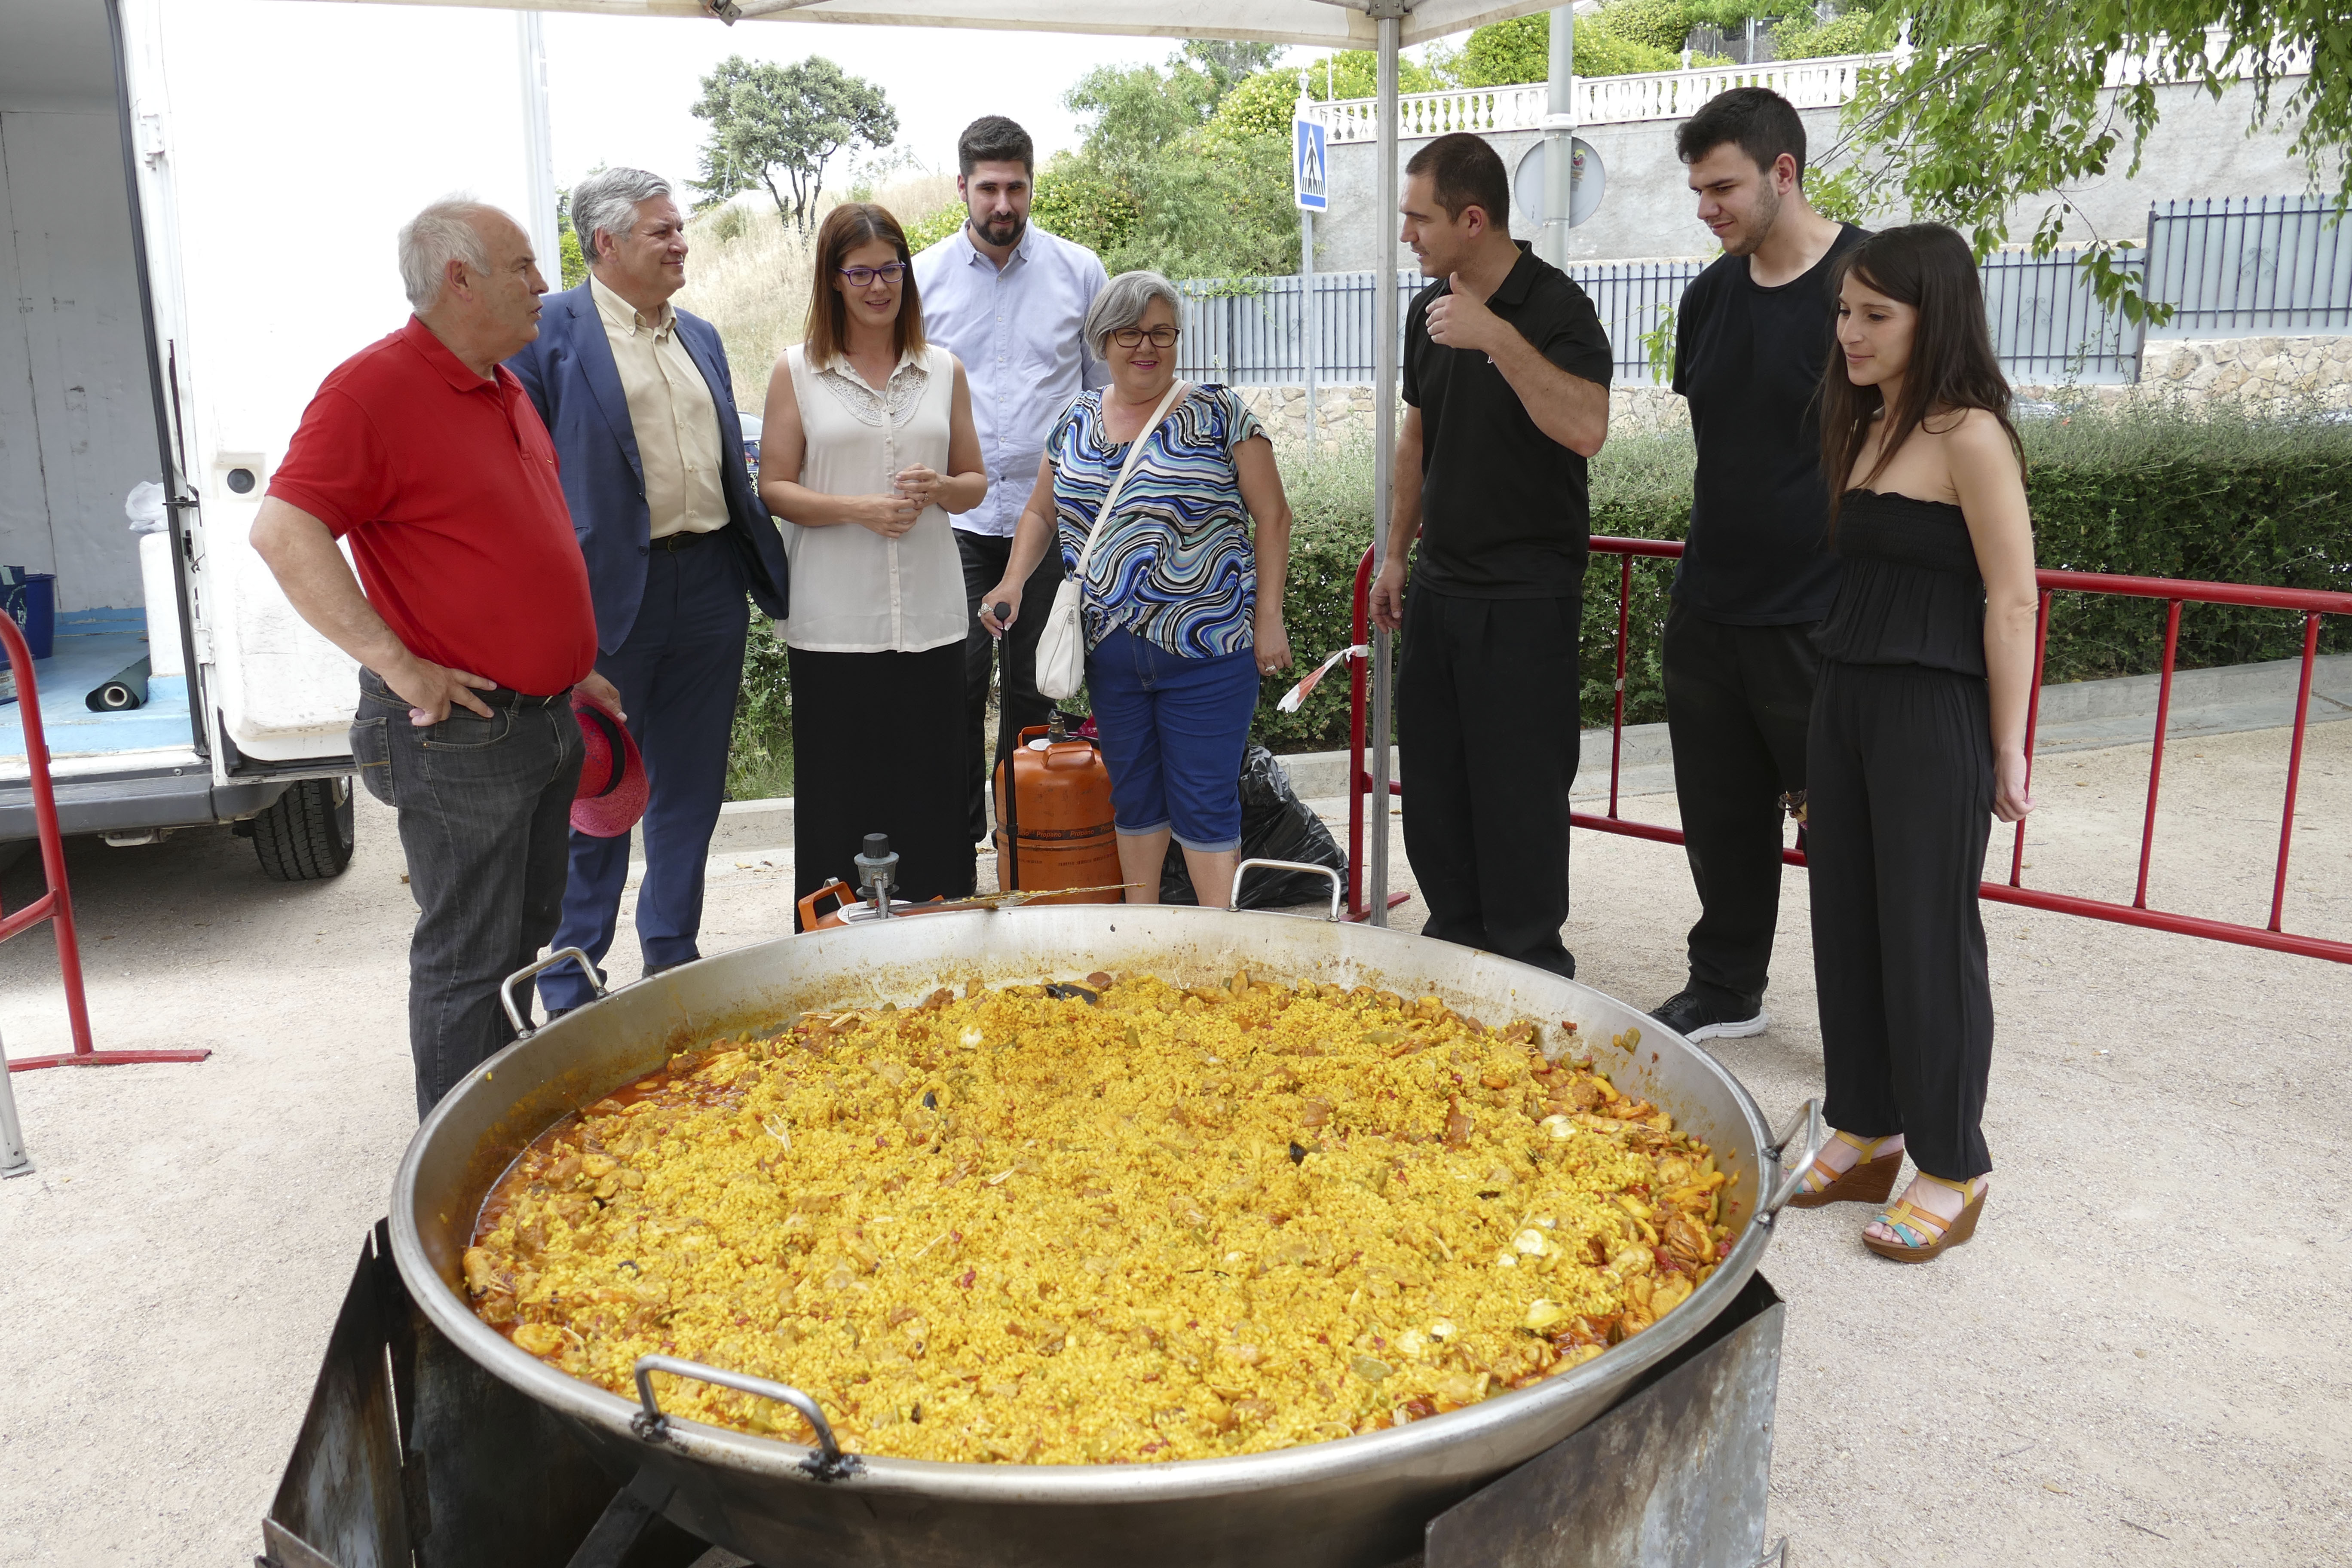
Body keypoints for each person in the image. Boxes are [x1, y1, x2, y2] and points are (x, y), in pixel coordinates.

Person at [249, 197, 616, 1116]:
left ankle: (502, 1132)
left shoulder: (501, 383)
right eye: (523, 267)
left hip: (539, 719)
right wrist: (400, 664)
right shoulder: (372, 390)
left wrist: (569, 662)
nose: (543, 285)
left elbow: (503, 544)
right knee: (470, 959)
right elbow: (284, 533)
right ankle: (454, 1166)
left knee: (520, 940)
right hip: (460, 734)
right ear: (461, 281)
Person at [1785, 224, 2037, 1262]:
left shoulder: (1972, 434)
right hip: (1844, 696)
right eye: (1846, 311)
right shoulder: (1866, 422)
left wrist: (2009, 746)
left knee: (1928, 937)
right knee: (1845, 919)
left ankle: (1953, 1164)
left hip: (1933, 712)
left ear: (1935, 319)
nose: (1851, 332)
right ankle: (1867, 1127)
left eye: (1876, 315)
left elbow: (2013, 597)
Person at [506, 167, 791, 1017]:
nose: (681, 244)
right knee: (595, 794)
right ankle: (572, 988)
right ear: (607, 243)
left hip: (708, 586)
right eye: (663, 231)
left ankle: (672, 963)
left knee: (691, 792)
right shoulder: (546, 335)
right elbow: (522, 483)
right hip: (601, 601)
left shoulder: (700, 334)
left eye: (680, 228)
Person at [1650, 88, 1868, 1044]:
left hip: (1824, 615)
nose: (1707, 209)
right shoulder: (1709, 296)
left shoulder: (1867, 284)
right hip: (1710, 607)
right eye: (1698, 192)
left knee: (1848, 836)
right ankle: (1726, 987)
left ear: (1785, 172)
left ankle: (1865, 1029)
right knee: (1722, 820)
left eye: (1723, 188)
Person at [1369, 132, 1611, 978]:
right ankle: (1456, 952)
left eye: (1419, 218)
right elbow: (1418, 434)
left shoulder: (1558, 308)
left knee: (1520, 799)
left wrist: (1496, 338)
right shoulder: (1426, 309)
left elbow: (1586, 428)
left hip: (1527, 596)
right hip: (1442, 589)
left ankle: (1531, 970)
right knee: (1436, 791)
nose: (1407, 235)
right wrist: (1395, 555)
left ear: (1473, 220)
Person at [979, 271, 1293, 911]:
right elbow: (1040, 512)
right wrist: (1012, 580)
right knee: (1134, 798)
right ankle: (1143, 935)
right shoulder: (1074, 419)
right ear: (1102, 341)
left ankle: (1217, 943)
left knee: (1205, 801)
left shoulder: (1219, 413)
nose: (1145, 346)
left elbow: (1274, 516)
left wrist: (1269, 616)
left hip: (1208, 653)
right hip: (1112, 656)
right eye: (1129, 333)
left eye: (1161, 332)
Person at [759, 203, 987, 922]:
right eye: (860, 273)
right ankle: (833, 940)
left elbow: (975, 483)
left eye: (890, 269)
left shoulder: (943, 370)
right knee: (840, 795)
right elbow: (774, 488)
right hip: (834, 625)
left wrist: (940, 488)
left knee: (931, 792)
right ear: (833, 279)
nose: (878, 286)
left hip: (931, 620)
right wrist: (857, 507)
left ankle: (938, 939)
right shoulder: (797, 371)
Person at [914, 116, 1110, 846]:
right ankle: (956, 846)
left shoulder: (1080, 273)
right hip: (956, 524)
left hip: (1051, 522)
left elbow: (1100, 398)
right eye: (989, 188)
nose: (1004, 204)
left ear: (1032, 185)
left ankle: (1024, 846)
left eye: (1016, 188)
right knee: (955, 685)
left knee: (1037, 690)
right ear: (962, 187)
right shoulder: (921, 278)